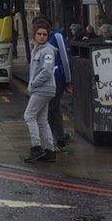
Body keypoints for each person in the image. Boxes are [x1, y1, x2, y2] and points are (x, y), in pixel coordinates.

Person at [34, 16, 73, 148]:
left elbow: (65, 59)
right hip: (46, 80)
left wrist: (68, 80)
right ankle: (58, 137)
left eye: (43, 31)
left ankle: (56, 138)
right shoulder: (41, 41)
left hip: (58, 78)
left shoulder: (57, 37)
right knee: (53, 108)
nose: (40, 35)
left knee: (50, 108)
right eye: (37, 32)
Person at [23, 22, 58, 163]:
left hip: (43, 89)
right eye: (39, 34)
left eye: (45, 34)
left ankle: (36, 148)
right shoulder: (36, 50)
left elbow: (47, 71)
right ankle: (50, 151)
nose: (42, 37)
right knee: (42, 120)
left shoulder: (47, 51)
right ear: (35, 35)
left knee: (29, 116)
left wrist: (33, 83)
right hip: (42, 89)